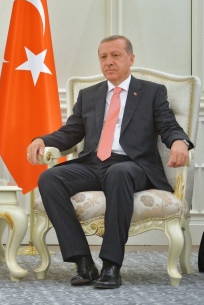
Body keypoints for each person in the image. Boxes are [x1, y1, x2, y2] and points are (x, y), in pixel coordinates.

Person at [26, 35, 192, 289]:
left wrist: (180, 141)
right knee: (50, 178)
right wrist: (41, 139)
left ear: (130, 59)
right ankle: (82, 261)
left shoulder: (151, 92)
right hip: (93, 163)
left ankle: (111, 264)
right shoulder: (89, 95)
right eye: (103, 57)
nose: (108, 62)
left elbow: (168, 124)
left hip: (132, 165)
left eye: (115, 55)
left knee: (118, 172)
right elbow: (71, 132)